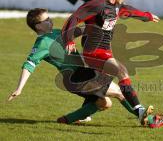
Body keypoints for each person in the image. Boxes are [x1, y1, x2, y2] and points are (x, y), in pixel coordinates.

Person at [62, 0, 163, 127]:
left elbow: (131, 11)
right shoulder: (97, 5)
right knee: (122, 71)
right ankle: (141, 112)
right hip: (93, 52)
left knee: (106, 92)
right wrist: (68, 40)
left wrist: (146, 16)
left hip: (104, 52)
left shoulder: (117, 7)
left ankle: (72, 118)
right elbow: (74, 18)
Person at [7, 8, 137, 125]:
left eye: (49, 17)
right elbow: (29, 64)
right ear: (38, 26)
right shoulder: (42, 43)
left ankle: (67, 119)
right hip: (76, 77)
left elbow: (79, 30)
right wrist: (19, 88)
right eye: (46, 19)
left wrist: (94, 25)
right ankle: (143, 115)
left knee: (104, 103)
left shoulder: (58, 32)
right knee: (119, 92)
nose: (50, 20)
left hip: (83, 73)